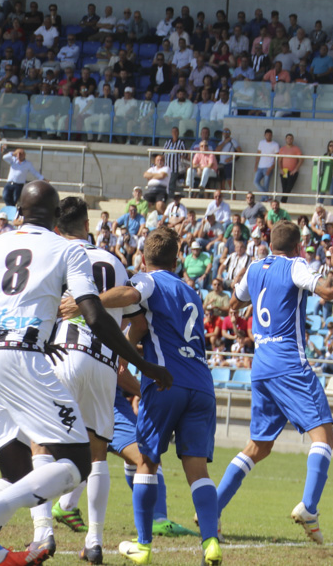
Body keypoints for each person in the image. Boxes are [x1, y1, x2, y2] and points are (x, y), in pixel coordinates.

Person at [0, 181, 170, 566]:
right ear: (56, 218)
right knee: (77, 463)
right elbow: (93, 314)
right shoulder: (67, 248)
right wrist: (143, 364)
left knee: (17, 469)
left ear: (17, 211)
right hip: (23, 358)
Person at [96, 227, 222, 566]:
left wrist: (87, 304)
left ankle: (143, 545)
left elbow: (129, 295)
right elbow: (145, 327)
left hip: (167, 382)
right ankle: (210, 542)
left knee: (147, 462)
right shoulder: (192, 292)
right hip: (202, 386)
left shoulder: (149, 281)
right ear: (177, 258)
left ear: (143, 258)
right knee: (197, 469)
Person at [216, 224, 333, 545]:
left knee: (258, 446)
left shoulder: (255, 267)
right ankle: (309, 508)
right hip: (289, 362)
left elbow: (234, 303)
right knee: (324, 437)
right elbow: (329, 292)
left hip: (261, 364)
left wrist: (238, 310)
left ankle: (213, 507)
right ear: (298, 246)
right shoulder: (296, 266)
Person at [43, 198, 132, 563]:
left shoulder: (55, 253)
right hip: (104, 362)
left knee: (42, 445)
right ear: (87, 224)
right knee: (98, 455)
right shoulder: (115, 262)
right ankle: (94, 543)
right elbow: (129, 319)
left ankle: (43, 533)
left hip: (64, 351)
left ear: (58, 227)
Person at [254, 129, 279, 199]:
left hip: (268, 167)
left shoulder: (275, 144)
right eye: (267, 135)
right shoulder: (261, 143)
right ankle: (266, 197)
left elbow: (277, 158)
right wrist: (256, 165)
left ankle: (264, 200)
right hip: (260, 167)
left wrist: (271, 168)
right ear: (264, 135)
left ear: (272, 136)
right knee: (256, 182)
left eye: (270, 135)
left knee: (266, 185)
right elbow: (258, 154)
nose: (268, 136)